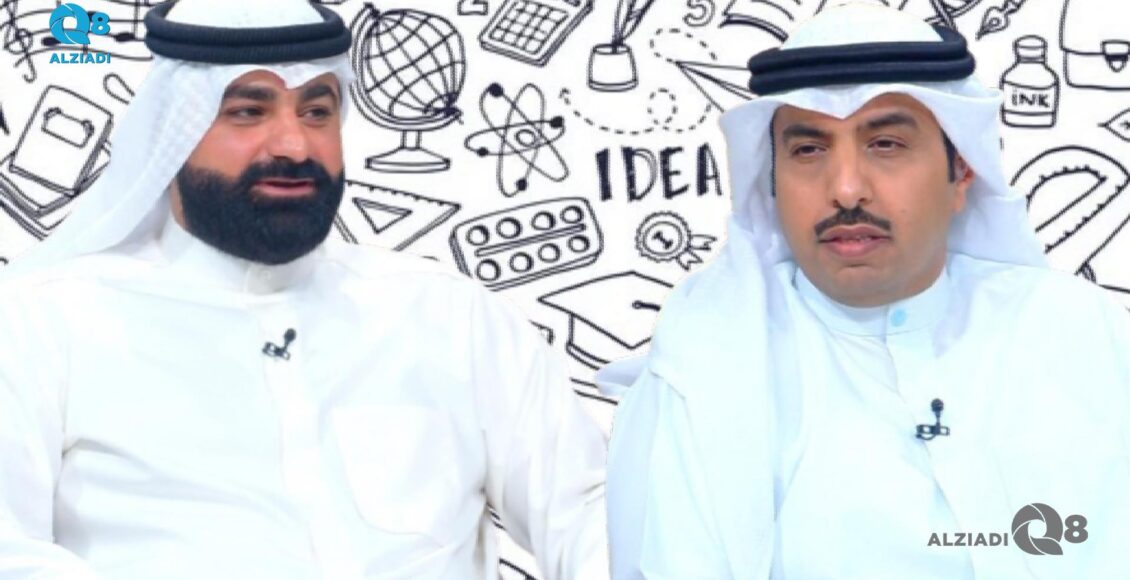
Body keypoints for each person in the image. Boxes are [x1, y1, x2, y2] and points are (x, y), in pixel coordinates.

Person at [0, 1, 608, 579]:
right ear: (173, 131)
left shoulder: (452, 316)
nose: (294, 145)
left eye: (316, 111)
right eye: (248, 111)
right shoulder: (47, 323)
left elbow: (587, 514)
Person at [599, 3, 1130, 579]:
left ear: (962, 173)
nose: (847, 189)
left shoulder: (1087, 335)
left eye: (886, 144)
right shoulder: (699, 375)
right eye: (809, 150)